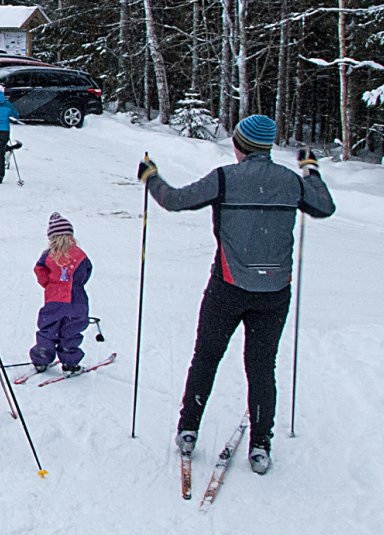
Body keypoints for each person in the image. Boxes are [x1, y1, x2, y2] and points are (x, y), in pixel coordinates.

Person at [139, 114, 335, 475]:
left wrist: (151, 177)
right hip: (274, 294)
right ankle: (260, 445)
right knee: (262, 368)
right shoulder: (290, 182)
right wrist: (310, 168)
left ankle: (188, 429)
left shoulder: (225, 179)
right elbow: (324, 206)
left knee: (206, 357)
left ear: (239, 145)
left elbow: (175, 200)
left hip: (226, 289)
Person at [29, 213, 92, 373]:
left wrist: (49, 285)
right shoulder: (80, 255)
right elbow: (86, 271)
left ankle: (41, 358)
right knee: (71, 331)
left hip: (54, 300)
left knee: (48, 329)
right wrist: (76, 285)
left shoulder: (48, 255)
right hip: (76, 301)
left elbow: (39, 271)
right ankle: (70, 362)